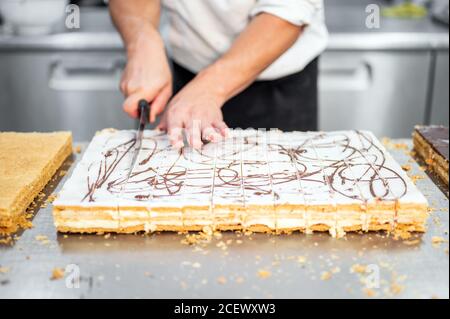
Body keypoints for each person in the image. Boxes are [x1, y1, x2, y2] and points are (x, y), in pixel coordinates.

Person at [109, 0, 328, 149]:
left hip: (279, 85)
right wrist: (141, 39)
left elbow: (288, 9)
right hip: (187, 76)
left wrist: (208, 88)